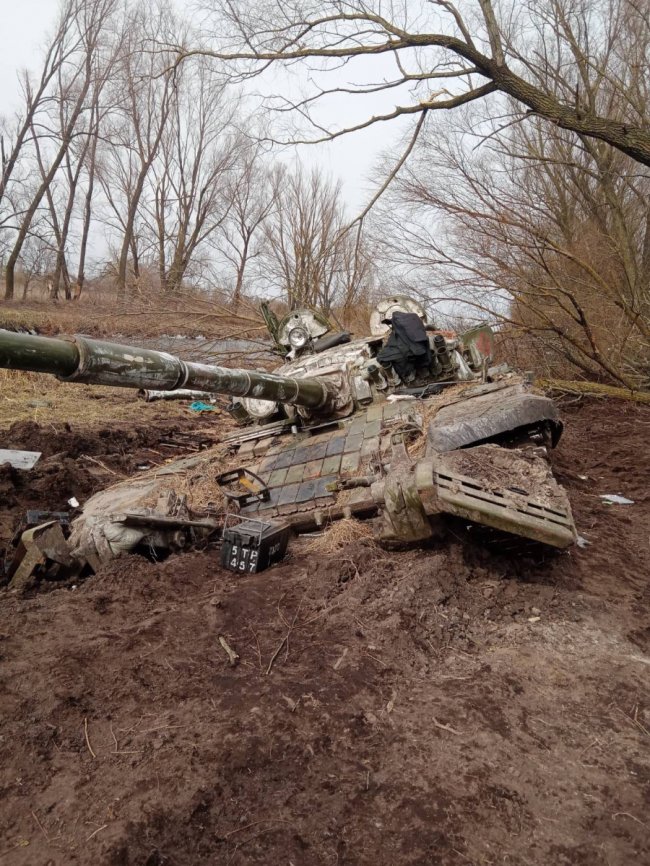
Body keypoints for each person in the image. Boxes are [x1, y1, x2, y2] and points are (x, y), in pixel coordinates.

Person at [376, 311, 432, 382]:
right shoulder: (416, 327)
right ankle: (423, 372)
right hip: (424, 361)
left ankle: (400, 378)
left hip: (409, 363)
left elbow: (388, 351)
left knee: (381, 357)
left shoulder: (398, 332)